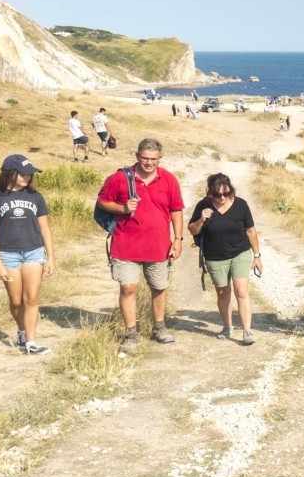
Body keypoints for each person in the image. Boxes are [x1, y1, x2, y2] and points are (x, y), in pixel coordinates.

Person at [95, 138, 186, 355]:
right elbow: (102, 201)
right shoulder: (119, 178)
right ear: (137, 156)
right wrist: (122, 207)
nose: (149, 163)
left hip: (159, 246)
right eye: (145, 158)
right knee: (128, 288)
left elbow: (176, 210)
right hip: (125, 245)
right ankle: (131, 334)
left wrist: (178, 239)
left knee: (159, 287)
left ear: (159, 159)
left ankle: (159, 327)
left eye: (153, 159)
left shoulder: (169, 179)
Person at [0, 154, 56, 354]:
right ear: (10, 174)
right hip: (8, 255)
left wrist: (50, 257)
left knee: (31, 298)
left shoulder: (36, 197)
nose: (27, 178)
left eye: (30, 174)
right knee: (16, 301)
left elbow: (45, 230)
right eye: (23, 174)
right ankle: (22, 330)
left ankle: (31, 343)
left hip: (34, 252)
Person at [190, 173, 262, 345]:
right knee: (223, 293)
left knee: (241, 291)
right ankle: (227, 326)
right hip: (215, 256)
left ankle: (247, 331)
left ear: (231, 191)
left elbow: (251, 231)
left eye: (226, 193)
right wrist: (201, 219)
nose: (222, 198)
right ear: (210, 193)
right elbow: (192, 230)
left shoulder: (240, 204)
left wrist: (257, 256)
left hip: (240, 253)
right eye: (217, 194)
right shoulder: (203, 205)